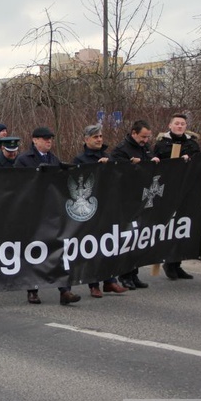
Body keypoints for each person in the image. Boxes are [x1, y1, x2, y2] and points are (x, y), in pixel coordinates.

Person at [15, 127, 81, 306]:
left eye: (50, 139)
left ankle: (64, 290)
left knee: (57, 249)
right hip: (31, 212)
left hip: (51, 212)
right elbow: (16, 185)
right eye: (45, 139)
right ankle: (32, 290)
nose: (49, 142)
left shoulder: (53, 159)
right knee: (34, 251)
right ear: (35, 140)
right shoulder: (24, 159)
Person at [154, 113, 201, 280]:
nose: (180, 126)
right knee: (168, 227)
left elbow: (199, 165)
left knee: (183, 227)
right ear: (170, 125)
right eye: (177, 123)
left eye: (182, 123)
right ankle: (167, 261)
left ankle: (177, 263)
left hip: (186, 191)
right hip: (168, 191)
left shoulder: (191, 144)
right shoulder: (161, 145)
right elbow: (155, 166)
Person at [72, 124, 128, 298]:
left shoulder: (108, 156)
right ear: (86, 139)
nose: (99, 139)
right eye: (95, 137)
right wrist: (97, 168)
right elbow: (78, 182)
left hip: (108, 207)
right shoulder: (80, 160)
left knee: (110, 244)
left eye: (100, 136)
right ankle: (93, 284)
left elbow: (118, 177)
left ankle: (110, 280)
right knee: (93, 246)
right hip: (90, 209)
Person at [110, 120, 161, 290]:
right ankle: (124, 275)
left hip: (143, 199)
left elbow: (149, 165)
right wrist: (131, 166)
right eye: (142, 137)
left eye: (147, 137)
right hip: (126, 200)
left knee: (138, 238)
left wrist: (153, 160)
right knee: (128, 238)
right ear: (133, 133)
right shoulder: (121, 149)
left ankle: (134, 274)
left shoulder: (145, 147)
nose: (145, 140)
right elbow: (115, 171)